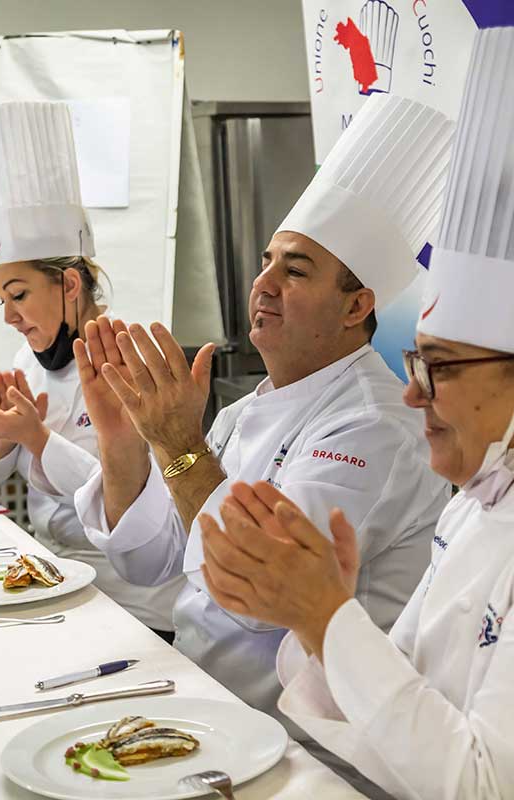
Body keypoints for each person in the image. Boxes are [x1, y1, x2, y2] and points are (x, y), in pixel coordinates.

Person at [195, 27, 514, 800]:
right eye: (416, 359)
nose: (411, 394)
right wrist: (313, 619)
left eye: (442, 369)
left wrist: (328, 616)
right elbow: (393, 711)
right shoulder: (477, 505)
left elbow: (484, 784)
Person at [72, 95, 455, 731]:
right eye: (266, 263)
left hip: (303, 745)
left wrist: (176, 444)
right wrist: (123, 442)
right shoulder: (251, 405)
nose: (264, 284)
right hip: (210, 706)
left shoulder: (376, 425)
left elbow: (260, 598)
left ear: (357, 306)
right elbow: (148, 562)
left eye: (295, 270)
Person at [0, 101, 182, 639]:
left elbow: (123, 496)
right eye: (0, 300)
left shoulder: (135, 361)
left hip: (136, 605)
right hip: (53, 580)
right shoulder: (27, 361)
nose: (10, 316)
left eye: (18, 295)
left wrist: (36, 439)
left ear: (70, 285)